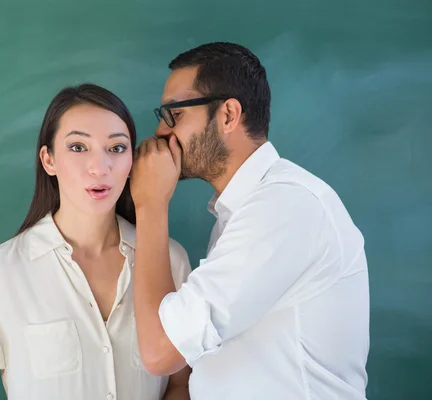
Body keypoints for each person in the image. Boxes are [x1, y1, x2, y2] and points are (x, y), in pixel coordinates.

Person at [129, 42, 370, 399]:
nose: (162, 133)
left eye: (174, 115)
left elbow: (160, 350)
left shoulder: (284, 206)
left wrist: (150, 204)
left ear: (228, 115)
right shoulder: (244, 210)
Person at [0, 83, 192, 400]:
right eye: (78, 147)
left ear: (133, 160)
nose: (100, 167)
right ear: (48, 160)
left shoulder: (170, 260)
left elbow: (180, 384)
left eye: (116, 148)